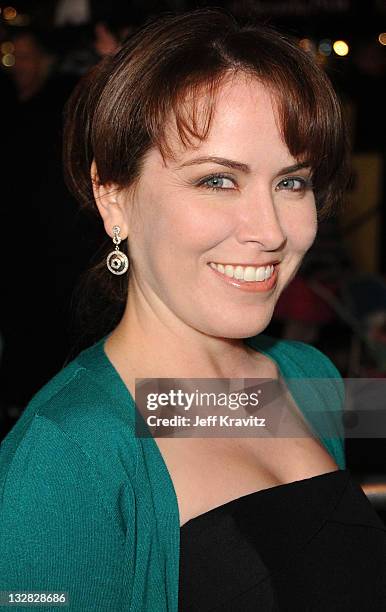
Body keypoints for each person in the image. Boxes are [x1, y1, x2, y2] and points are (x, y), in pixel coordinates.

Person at [1, 9, 385, 611]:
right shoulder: (65, 457)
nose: (270, 232)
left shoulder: (310, 379)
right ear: (113, 197)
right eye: (216, 180)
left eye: (292, 182)